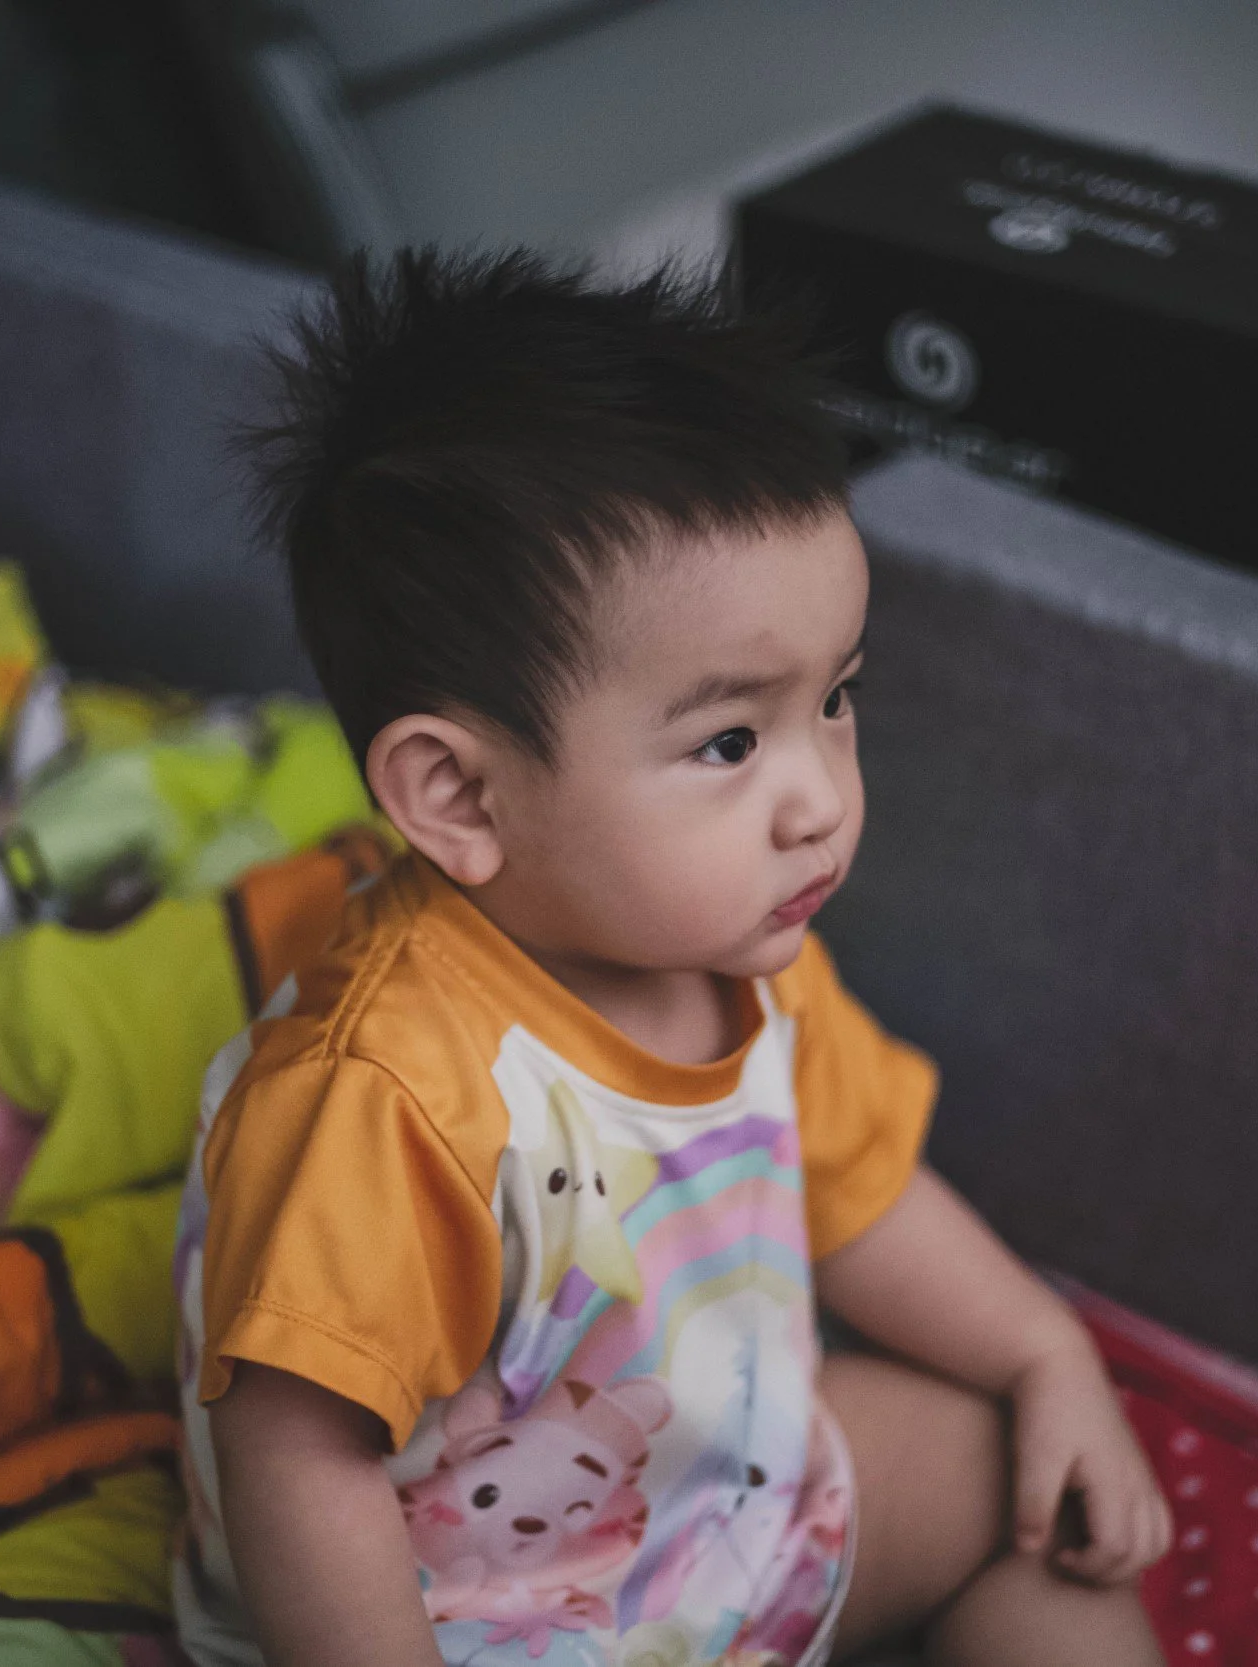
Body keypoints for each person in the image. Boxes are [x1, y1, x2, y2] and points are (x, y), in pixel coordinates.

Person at [172, 251, 1170, 1667]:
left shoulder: (747, 953)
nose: (819, 797)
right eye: (729, 741)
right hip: (477, 1620)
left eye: (837, 698)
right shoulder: (387, 1094)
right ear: (461, 797)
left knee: (1020, 1491)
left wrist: (1045, 1355)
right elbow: (298, 1461)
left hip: (703, 1517)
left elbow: (859, 1192)